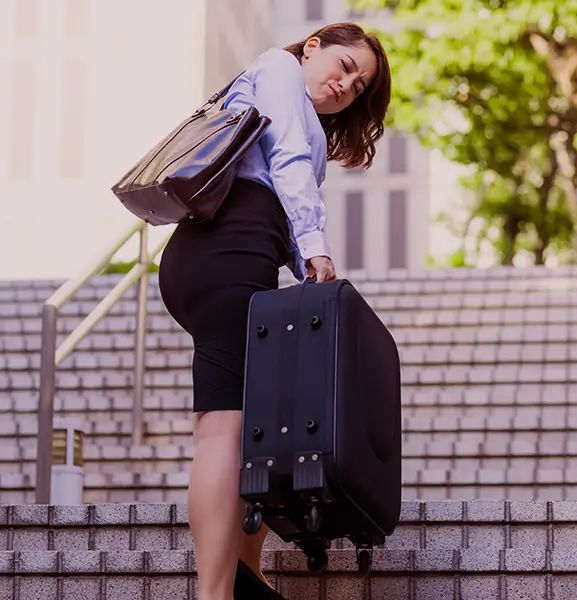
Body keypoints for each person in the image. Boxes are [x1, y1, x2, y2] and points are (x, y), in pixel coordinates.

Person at [158, 21, 391, 600]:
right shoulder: (280, 70)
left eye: (358, 87)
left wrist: (306, 259)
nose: (347, 86)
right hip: (224, 253)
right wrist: (317, 249)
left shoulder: (298, 110)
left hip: (233, 258)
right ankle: (215, 593)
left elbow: (282, 202)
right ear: (313, 46)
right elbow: (284, 162)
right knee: (227, 430)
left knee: (255, 424)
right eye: (344, 67)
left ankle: (245, 571)